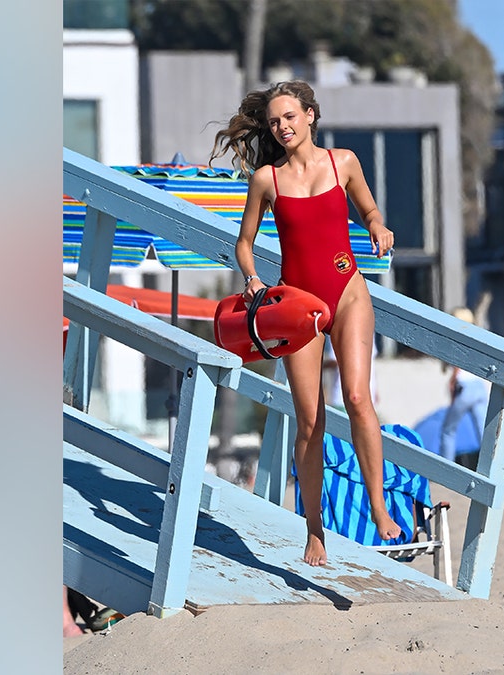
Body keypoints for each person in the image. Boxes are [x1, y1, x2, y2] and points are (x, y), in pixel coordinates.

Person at [212, 79, 401, 565]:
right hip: (299, 306)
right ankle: (314, 528)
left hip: (349, 291)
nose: (282, 127)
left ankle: (379, 508)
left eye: (290, 117)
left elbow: (368, 209)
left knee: (358, 397)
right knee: (311, 421)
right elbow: (244, 243)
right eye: (275, 121)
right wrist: (252, 278)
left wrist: (377, 224)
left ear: (311, 115)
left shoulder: (345, 162)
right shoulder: (267, 180)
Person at [440, 308, 490, 463]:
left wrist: (452, 386)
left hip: (464, 387)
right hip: (479, 386)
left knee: (448, 430)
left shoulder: (455, 338)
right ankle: (490, 467)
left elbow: (456, 368)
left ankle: (446, 466)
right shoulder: (477, 336)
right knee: (484, 432)